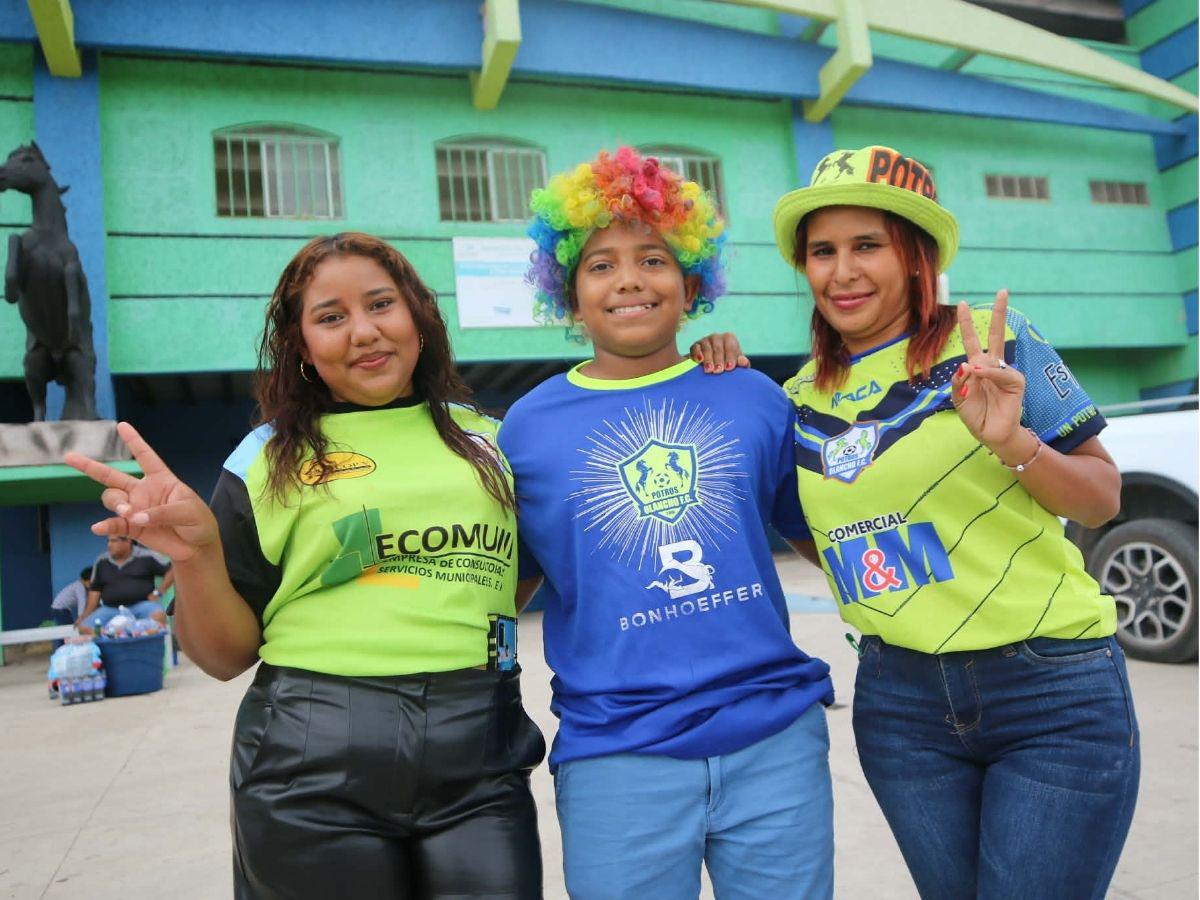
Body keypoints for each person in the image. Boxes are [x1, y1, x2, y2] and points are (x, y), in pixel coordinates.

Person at [694, 145, 1139, 900]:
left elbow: (1101, 498)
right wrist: (715, 365)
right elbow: (814, 530)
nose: (843, 272)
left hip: (1051, 691)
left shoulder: (990, 348)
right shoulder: (793, 398)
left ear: (915, 255)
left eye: (868, 245)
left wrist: (1013, 443)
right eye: (823, 252)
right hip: (900, 707)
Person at [66, 232, 545, 899]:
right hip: (311, 766)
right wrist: (199, 552)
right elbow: (225, 655)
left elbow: (515, 572)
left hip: (481, 760)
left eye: (382, 304)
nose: (364, 332)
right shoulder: (265, 459)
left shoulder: (494, 443)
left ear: (419, 317)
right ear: (303, 350)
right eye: (330, 317)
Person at [499, 147, 835, 899]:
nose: (627, 280)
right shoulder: (525, 428)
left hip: (775, 737)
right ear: (569, 292)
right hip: (617, 753)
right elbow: (504, 589)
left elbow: (826, 539)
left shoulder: (753, 395)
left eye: (651, 259)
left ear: (690, 281)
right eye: (600, 265)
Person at [75, 534, 172, 633]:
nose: (109, 545)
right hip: (111, 608)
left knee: (158, 616)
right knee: (84, 627)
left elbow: (171, 570)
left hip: (141, 605)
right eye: (108, 541)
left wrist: (159, 592)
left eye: (114, 541)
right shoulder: (101, 561)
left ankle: (141, 643)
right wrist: (85, 615)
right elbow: (95, 590)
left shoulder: (147, 556)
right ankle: (115, 638)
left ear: (128, 541)